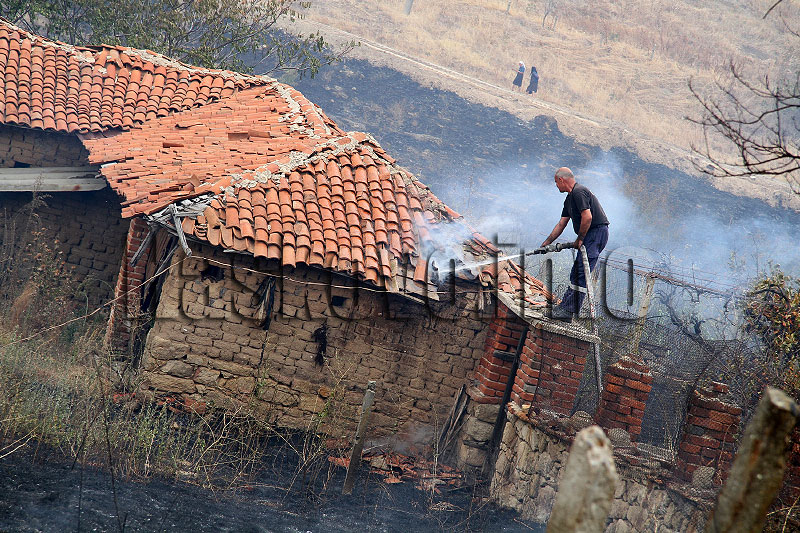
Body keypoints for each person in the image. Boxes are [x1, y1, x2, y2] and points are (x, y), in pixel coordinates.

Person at [541, 167, 610, 321]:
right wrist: (546, 243)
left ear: (561, 179)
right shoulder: (569, 199)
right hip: (589, 234)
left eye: (556, 183)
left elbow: (588, 217)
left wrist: (579, 239)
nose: (556, 186)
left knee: (582, 270)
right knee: (577, 270)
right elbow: (561, 223)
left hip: (596, 232)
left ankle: (569, 311)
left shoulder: (579, 192)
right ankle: (566, 307)